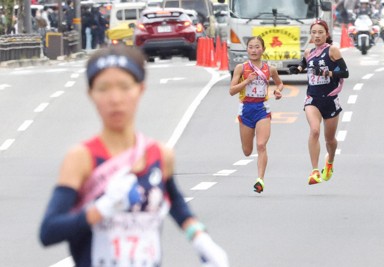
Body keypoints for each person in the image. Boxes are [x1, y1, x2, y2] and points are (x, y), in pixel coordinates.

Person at [39, 45, 229, 267]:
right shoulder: (82, 158)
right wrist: (100, 209)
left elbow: (175, 202)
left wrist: (200, 238)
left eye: (124, 87)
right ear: (90, 94)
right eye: (103, 88)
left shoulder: (159, 155)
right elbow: (49, 231)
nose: (115, 99)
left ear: (141, 89)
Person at [289, 19, 349, 185]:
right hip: (313, 99)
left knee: (330, 140)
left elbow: (344, 72)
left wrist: (326, 73)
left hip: (330, 99)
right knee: (314, 131)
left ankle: (329, 162)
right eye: (314, 32)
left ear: (326, 34)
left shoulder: (333, 51)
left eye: (320, 32)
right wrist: (296, 69)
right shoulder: (309, 52)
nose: (317, 36)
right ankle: (315, 171)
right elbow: (303, 65)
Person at [229, 36, 284, 193]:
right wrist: (246, 81)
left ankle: (260, 180)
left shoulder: (269, 69)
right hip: (246, 110)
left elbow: (279, 83)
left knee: (261, 145)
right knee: (247, 151)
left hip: (262, 110)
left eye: (257, 47)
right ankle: (257, 171)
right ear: (247, 50)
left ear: (263, 49)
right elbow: (232, 91)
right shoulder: (241, 68)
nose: (254, 50)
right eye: (251, 47)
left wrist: (278, 91)